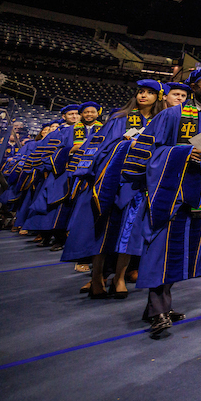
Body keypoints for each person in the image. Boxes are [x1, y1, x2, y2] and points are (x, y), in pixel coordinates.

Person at [130, 65, 201, 337]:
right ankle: (158, 310)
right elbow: (149, 151)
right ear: (194, 87)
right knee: (159, 248)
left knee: (178, 251)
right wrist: (183, 154)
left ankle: (159, 306)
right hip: (170, 194)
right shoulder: (171, 115)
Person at [63, 81, 164, 297]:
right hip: (111, 181)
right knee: (102, 230)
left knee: (128, 233)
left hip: (138, 184)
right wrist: (126, 143)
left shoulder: (159, 121)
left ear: (158, 97)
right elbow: (102, 148)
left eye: (149, 93)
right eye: (140, 91)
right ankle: (96, 276)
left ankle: (119, 277)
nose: (143, 96)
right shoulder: (119, 118)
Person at [23, 101, 101, 248]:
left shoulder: (104, 130)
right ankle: (57, 237)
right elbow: (51, 152)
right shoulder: (65, 131)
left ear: (98, 114)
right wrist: (71, 150)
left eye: (92, 112)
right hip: (67, 171)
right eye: (84, 112)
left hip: (92, 174)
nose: (88, 115)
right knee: (60, 203)